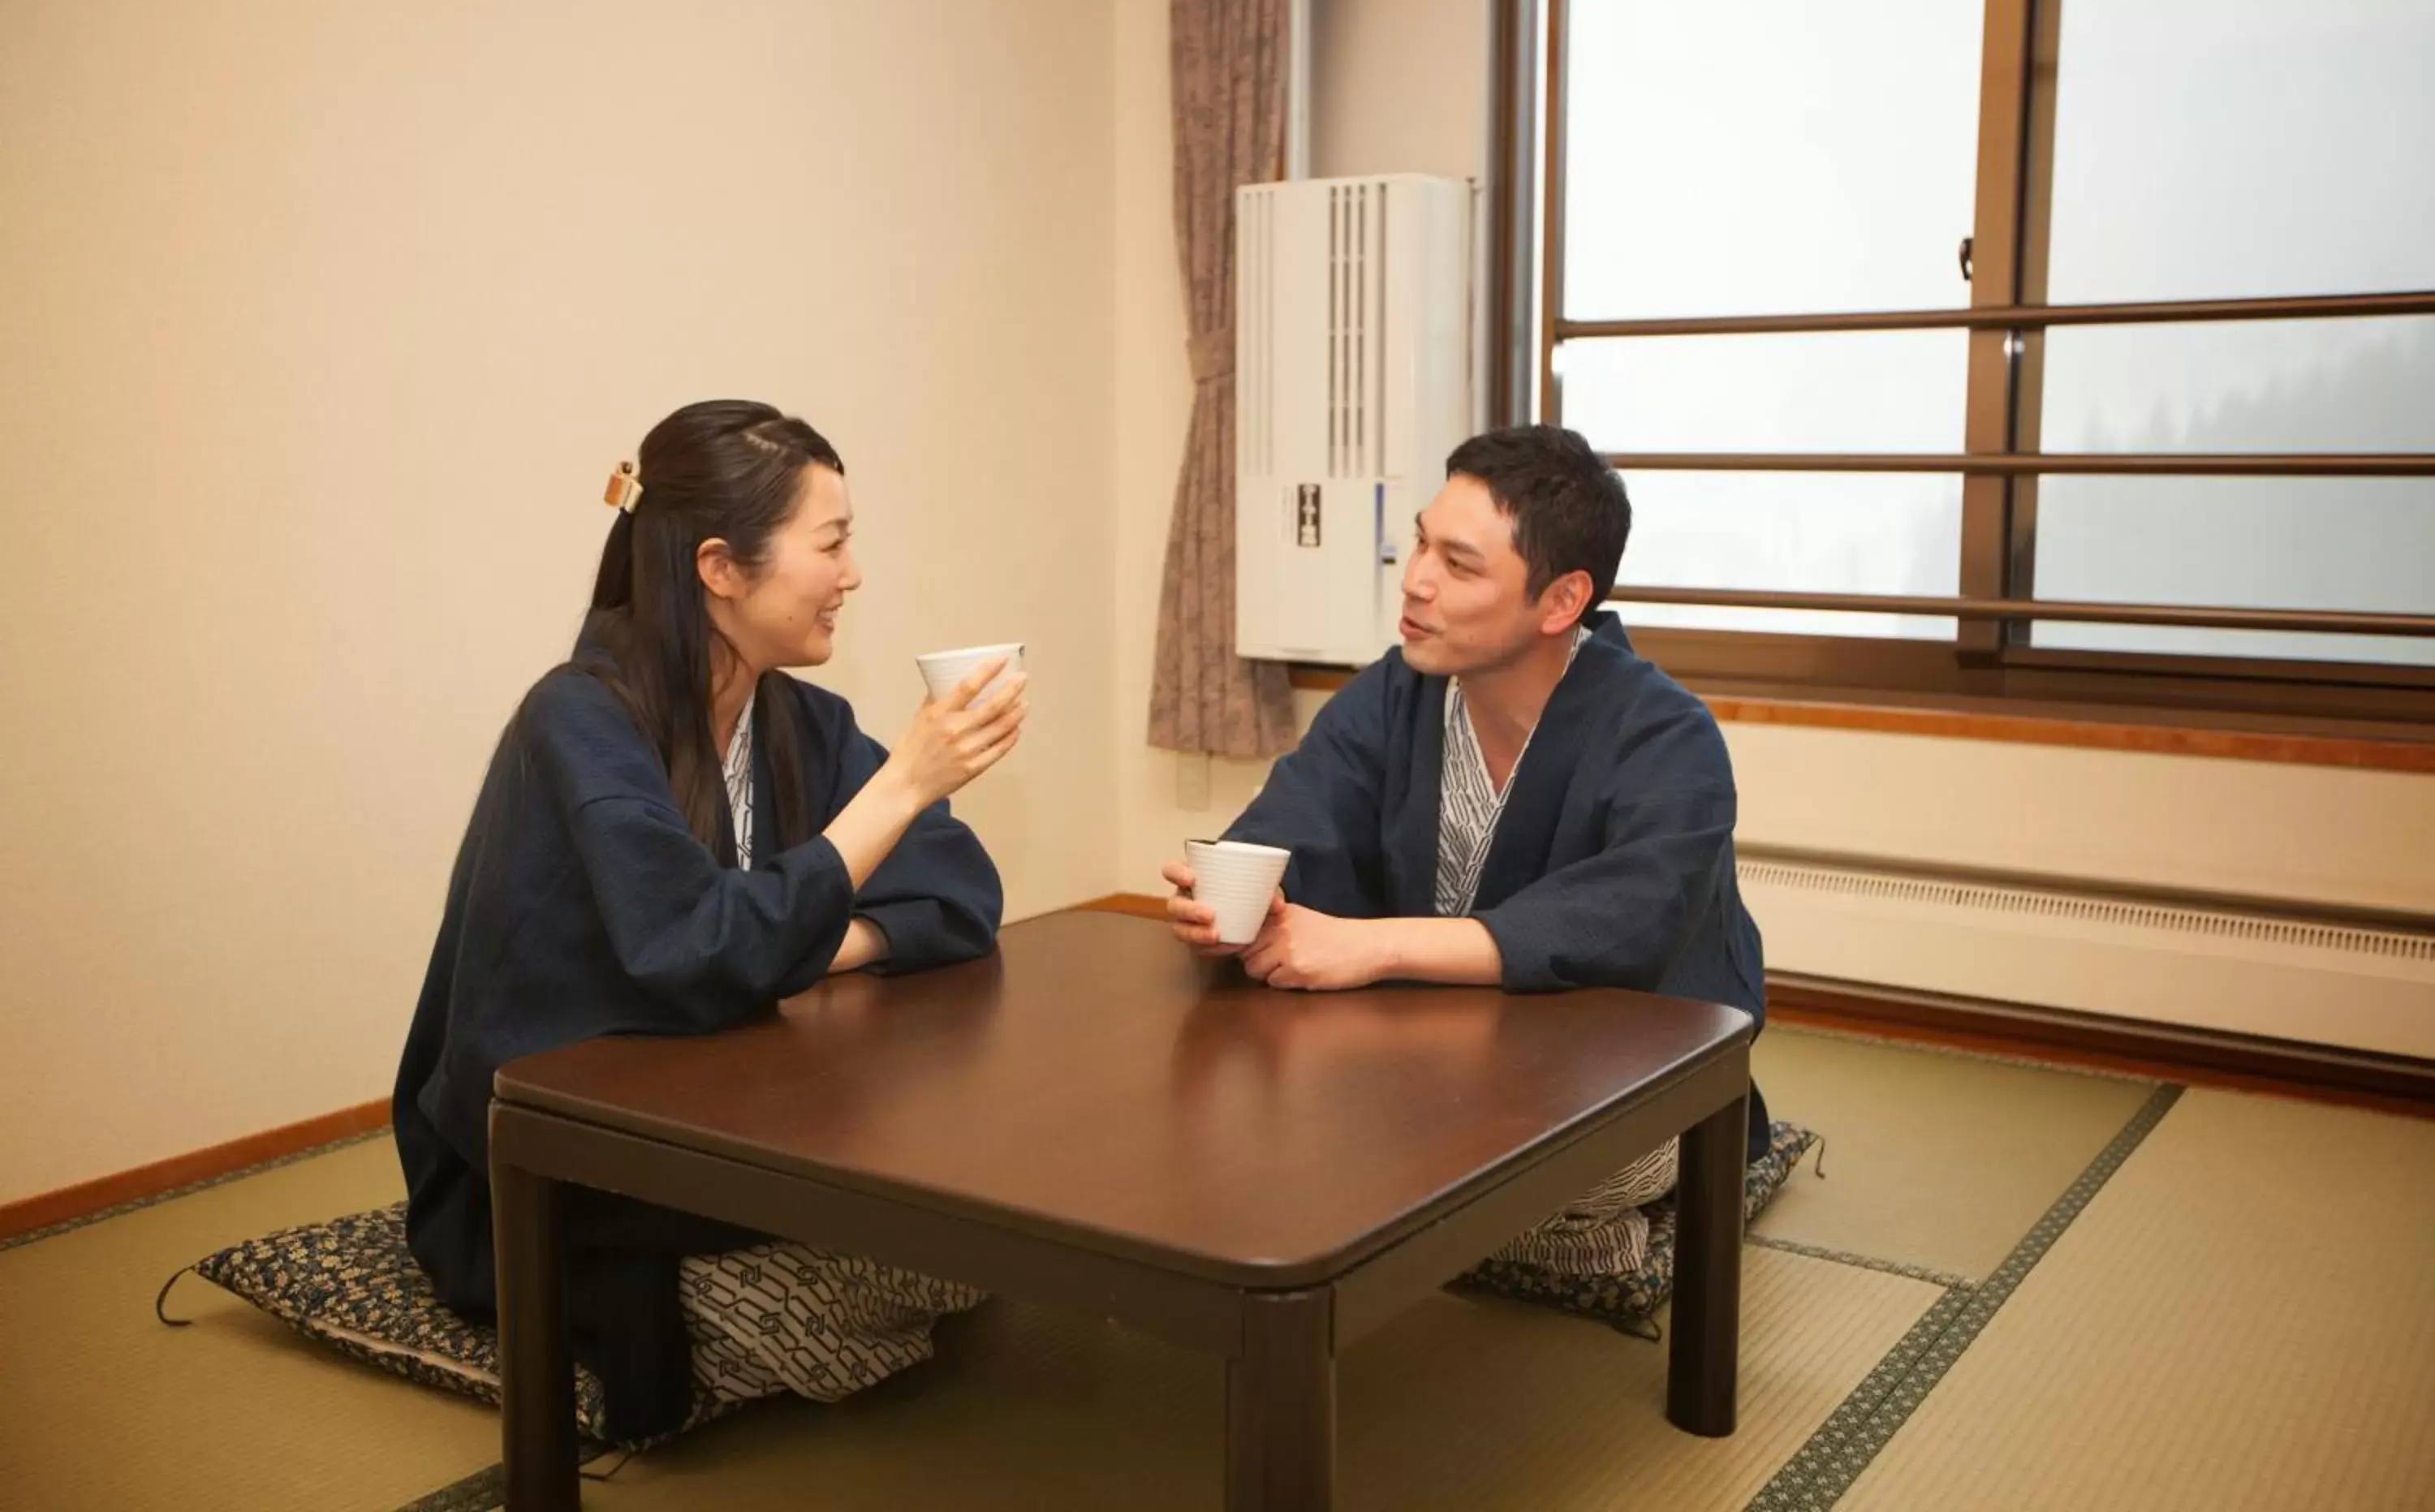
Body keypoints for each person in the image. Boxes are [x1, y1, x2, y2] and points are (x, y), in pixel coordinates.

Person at [393, 400, 1021, 1439]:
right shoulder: (579, 720)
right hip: (553, 1159)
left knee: (958, 1208)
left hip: (722, 1112)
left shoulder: (799, 719)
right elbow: (696, 943)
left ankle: (749, 1299)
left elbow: (961, 896)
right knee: (923, 1244)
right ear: (722, 567)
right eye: (833, 543)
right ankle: (685, 1311)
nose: (854, 573)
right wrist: (901, 785)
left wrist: (813, 948)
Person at [1164, 424, 1770, 1161]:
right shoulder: (1398, 691)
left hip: (1610, 1064)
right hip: (1439, 1053)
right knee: (1238, 1102)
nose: (1417, 579)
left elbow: (1631, 918)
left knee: (1598, 1163)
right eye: (1422, 544)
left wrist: (1374, 946)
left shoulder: (1666, 734)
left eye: (1459, 565)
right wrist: (1240, 895)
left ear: (1560, 601)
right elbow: (1302, 813)